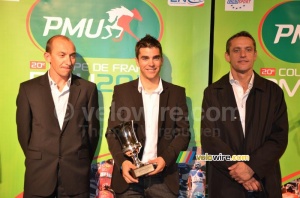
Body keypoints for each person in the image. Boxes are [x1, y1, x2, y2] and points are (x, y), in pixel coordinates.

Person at [201, 31, 288, 198]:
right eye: (236, 50)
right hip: (225, 184)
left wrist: (251, 167)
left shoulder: (273, 92)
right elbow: (210, 139)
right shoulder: (212, 92)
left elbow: (279, 137)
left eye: (248, 50)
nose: (243, 55)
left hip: (263, 182)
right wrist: (239, 171)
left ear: (255, 55)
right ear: (227, 56)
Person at [105, 34, 190, 197]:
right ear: (137, 61)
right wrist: (123, 163)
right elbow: (112, 133)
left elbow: (183, 134)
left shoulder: (177, 93)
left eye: (155, 58)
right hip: (130, 179)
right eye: (145, 58)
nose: (151, 63)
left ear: (161, 61)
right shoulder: (122, 92)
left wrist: (165, 159)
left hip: (163, 179)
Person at [16, 35, 100, 198]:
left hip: (75, 175)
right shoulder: (28, 89)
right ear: (48, 56)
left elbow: (92, 133)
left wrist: (79, 160)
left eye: (72, 55)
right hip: (39, 175)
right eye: (62, 55)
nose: (68, 61)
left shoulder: (88, 89)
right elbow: (24, 134)